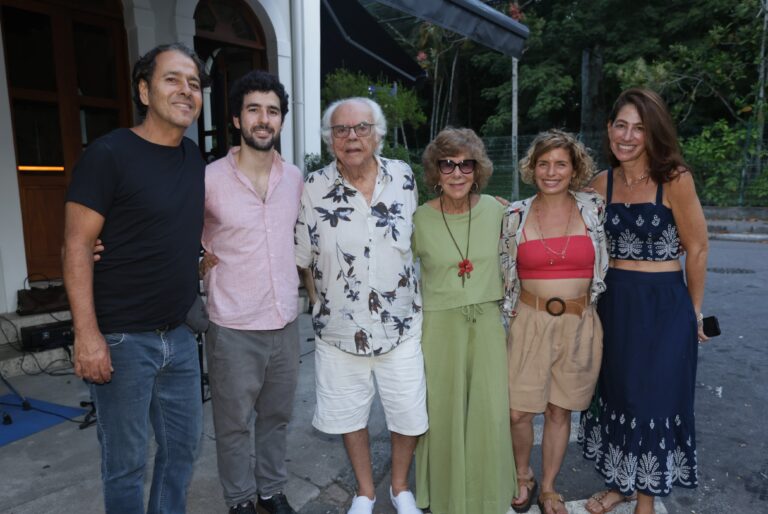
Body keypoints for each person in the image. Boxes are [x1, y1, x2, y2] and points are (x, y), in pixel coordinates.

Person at [62, 43, 207, 514]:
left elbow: (165, 225)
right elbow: (77, 245)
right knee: (124, 464)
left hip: (180, 337)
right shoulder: (108, 154)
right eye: (172, 79)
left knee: (182, 451)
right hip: (122, 339)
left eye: (194, 82)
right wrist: (86, 336)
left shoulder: (192, 158)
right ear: (144, 90)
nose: (186, 90)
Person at [579, 88, 709, 514]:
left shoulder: (675, 179)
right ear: (609, 129)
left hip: (664, 309)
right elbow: (562, 213)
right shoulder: (601, 183)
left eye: (639, 128)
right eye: (621, 125)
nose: (629, 136)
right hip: (614, 307)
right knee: (618, 395)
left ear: (653, 132)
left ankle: (646, 500)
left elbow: (698, 247)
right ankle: (619, 483)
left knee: (653, 400)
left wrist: (693, 311)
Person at [294, 97, 426, 514]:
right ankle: (366, 492)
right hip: (338, 328)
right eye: (340, 130)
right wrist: (317, 302)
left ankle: (399, 487)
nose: (351, 137)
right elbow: (302, 257)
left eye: (361, 128)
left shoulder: (403, 177)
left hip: (400, 323)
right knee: (349, 415)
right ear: (329, 139)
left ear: (378, 133)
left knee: (407, 412)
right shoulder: (312, 187)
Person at [199, 70, 302, 514]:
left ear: (281, 121)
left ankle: (270, 492)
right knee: (233, 424)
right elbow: (178, 233)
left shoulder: (295, 178)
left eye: (273, 111)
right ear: (237, 120)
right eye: (254, 110)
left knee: (277, 418)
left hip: (285, 321)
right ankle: (240, 500)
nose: (264, 119)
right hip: (233, 325)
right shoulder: (208, 179)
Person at [500, 129, 608, 514]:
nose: (551, 171)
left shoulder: (594, 209)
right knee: (518, 411)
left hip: (579, 323)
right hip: (529, 320)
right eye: (543, 163)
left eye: (560, 163)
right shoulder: (514, 214)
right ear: (533, 167)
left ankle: (547, 487)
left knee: (560, 410)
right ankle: (522, 473)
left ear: (574, 168)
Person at [412, 128, 516, 514]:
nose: (457, 173)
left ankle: (488, 495)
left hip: (487, 324)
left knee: (489, 410)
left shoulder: (498, 210)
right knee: (442, 412)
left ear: (478, 170)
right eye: (448, 164)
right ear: (435, 171)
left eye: (465, 164)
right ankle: (444, 494)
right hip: (438, 330)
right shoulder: (417, 219)